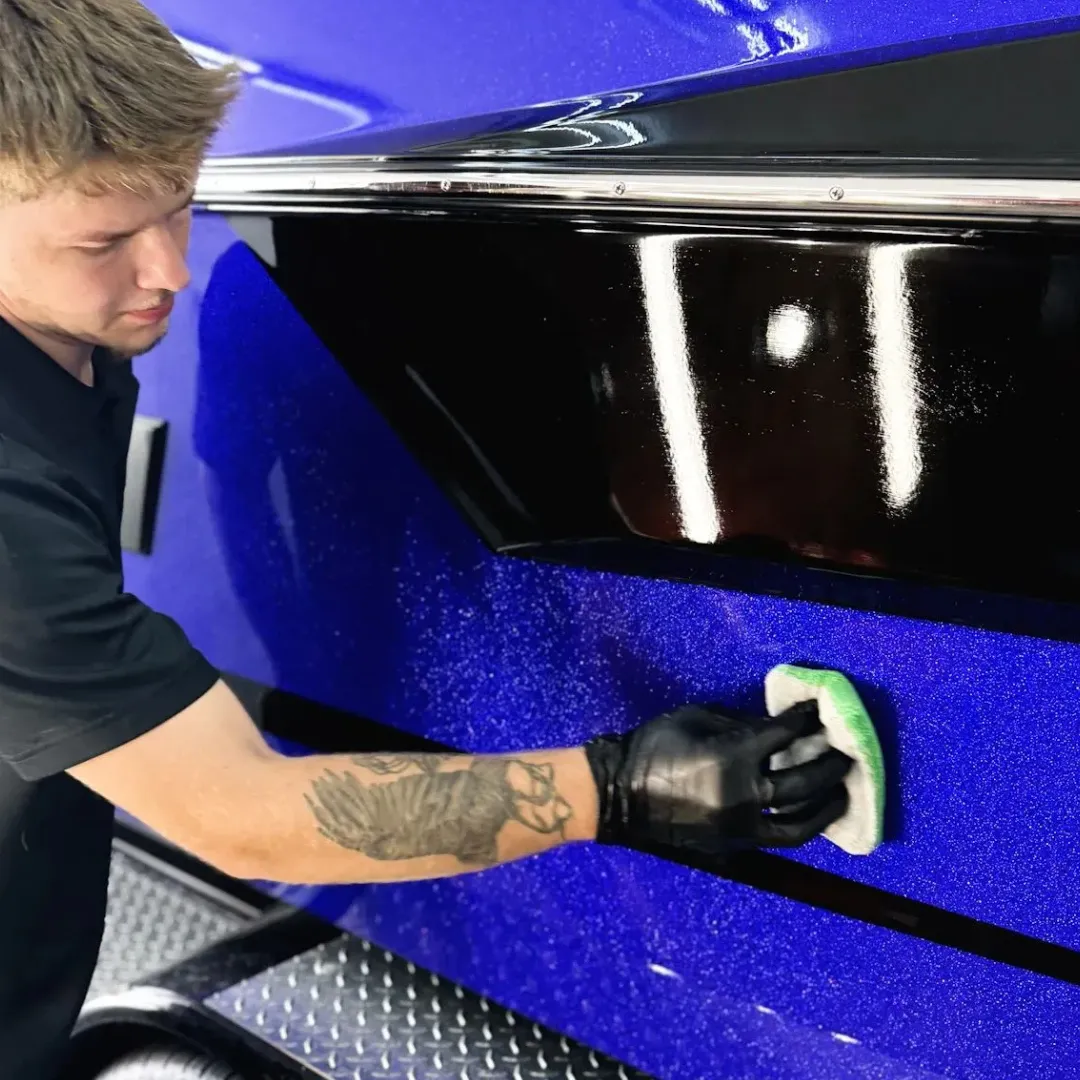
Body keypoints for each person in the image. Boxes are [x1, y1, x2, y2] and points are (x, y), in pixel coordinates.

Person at [0, 2, 853, 1076]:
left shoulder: (71, 333)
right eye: (104, 242)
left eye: (178, 204)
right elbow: (234, 814)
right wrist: (624, 787)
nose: (169, 269)